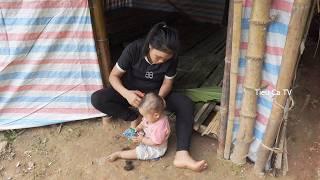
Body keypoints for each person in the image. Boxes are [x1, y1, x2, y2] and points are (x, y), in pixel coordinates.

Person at [91, 22, 208, 171]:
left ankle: (182, 154)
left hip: (156, 94)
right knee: (98, 99)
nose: (161, 62)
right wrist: (127, 94)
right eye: (158, 57)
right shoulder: (134, 49)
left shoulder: (171, 58)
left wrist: (157, 100)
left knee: (185, 104)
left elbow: (167, 83)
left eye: (165, 59)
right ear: (150, 45)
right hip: (132, 91)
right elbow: (113, 76)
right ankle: (133, 117)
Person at [107, 92, 170, 161]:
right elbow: (143, 123)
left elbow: (154, 142)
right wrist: (138, 128)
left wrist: (142, 139)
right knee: (133, 133)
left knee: (140, 152)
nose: (144, 117)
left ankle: (119, 154)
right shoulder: (152, 118)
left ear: (156, 115)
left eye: (145, 115)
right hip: (148, 136)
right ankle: (137, 138)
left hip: (156, 148)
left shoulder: (159, 128)